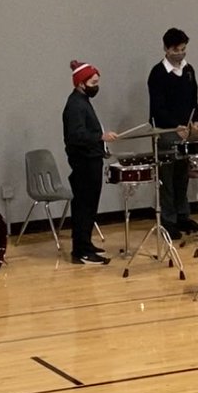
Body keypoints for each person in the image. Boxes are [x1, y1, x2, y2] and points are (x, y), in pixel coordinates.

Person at [147, 28, 198, 238]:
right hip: (166, 130)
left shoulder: (189, 70)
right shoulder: (158, 73)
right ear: (166, 49)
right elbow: (157, 108)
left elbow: (194, 100)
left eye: (184, 49)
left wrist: (195, 121)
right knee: (167, 179)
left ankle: (182, 215)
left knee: (182, 176)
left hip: (185, 131)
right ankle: (168, 220)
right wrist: (174, 127)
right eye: (176, 49)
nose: (181, 53)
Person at [63, 59, 117, 265]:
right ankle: (81, 250)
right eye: (93, 83)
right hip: (83, 163)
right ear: (80, 83)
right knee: (84, 206)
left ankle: (85, 243)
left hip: (91, 160)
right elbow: (76, 136)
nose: (96, 87)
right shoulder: (75, 105)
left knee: (89, 206)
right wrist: (100, 138)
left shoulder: (82, 101)